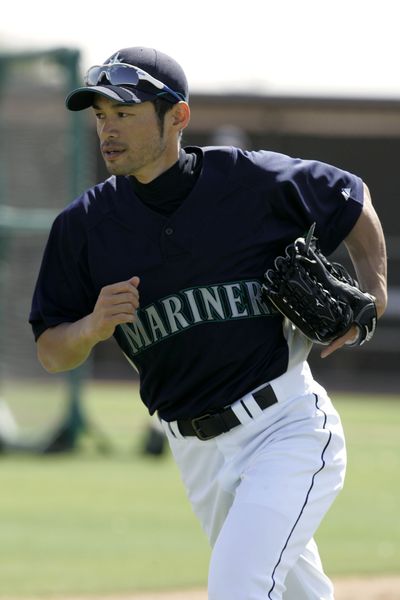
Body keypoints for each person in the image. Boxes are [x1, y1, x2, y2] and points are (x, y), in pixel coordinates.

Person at [29, 46, 387, 600]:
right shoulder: (82, 228)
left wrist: (376, 286)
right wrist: (91, 327)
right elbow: (52, 351)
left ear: (177, 117)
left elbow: (352, 197)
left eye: (124, 113)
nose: (108, 130)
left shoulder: (248, 181)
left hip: (283, 428)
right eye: (100, 115)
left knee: (237, 589)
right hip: (194, 450)